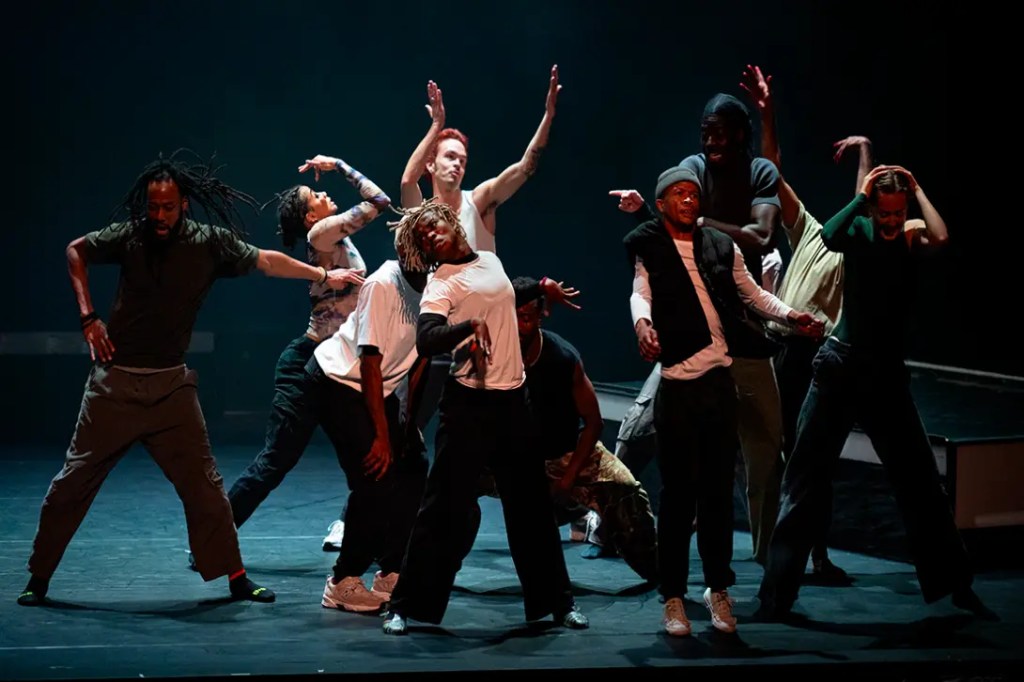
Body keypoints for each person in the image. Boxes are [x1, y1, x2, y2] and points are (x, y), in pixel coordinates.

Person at [17, 151, 359, 607]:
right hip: (114, 386)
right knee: (72, 485)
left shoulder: (207, 242)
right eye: (153, 207)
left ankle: (236, 577)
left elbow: (266, 261)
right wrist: (88, 317)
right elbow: (75, 250)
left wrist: (322, 273)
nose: (159, 216)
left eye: (168, 207)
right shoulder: (130, 235)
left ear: (183, 205)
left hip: (171, 390)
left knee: (206, 488)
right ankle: (38, 578)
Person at [755, 164, 997, 622]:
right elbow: (828, 234)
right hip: (840, 366)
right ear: (872, 208)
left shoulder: (909, 235)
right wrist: (862, 195)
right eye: (884, 212)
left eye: (897, 212)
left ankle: (956, 585)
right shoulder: (859, 230)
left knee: (921, 480)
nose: (890, 220)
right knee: (804, 479)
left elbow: (942, 236)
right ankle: (776, 596)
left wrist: (917, 188)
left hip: (886, 375)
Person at [624, 165, 823, 636]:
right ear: (661, 204)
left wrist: (792, 316)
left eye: (693, 194)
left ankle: (718, 589)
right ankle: (673, 596)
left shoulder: (719, 244)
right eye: (678, 194)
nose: (688, 200)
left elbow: (752, 295)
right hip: (677, 384)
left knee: (716, 494)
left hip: (718, 382)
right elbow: (640, 293)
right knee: (677, 498)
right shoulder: (648, 244)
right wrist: (643, 324)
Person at [380, 198, 588, 635]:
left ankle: (558, 603)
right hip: (468, 407)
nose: (430, 235)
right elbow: (427, 339)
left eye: (433, 225)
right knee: (443, 509)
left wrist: (543, 289)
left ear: (451, 222)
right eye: (423, 237)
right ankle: (404, 605)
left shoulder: (490, 260)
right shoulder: (441, 283)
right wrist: (466, 328)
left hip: (513, 402)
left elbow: (504, 296)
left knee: (532, 509)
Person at [612, 90, 787, 567]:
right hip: (691, 331)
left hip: (743, 330)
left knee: (765, 449)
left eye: (720, 132)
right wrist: (647, 212)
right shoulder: (693, 167)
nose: (711, 141)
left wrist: (704, 222)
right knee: (635, 432)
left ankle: (768, 557)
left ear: (740, 133)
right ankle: (608, 522)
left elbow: (761, 236)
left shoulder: (758, 173)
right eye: (705, 132)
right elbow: (670, 233)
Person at [222, 154, 388, 548]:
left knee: (365, 461)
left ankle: (365, 541)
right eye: (314, 196)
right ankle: (213, 539)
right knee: (276, 460)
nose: (322, 193)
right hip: (307, 363)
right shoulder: (321, 234)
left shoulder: (334, 237)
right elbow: (380, 201)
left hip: (337, 366)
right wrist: (341, 166)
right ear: (310, 217)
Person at [461, 277, 659, 584]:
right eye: (512, 316)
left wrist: (568, 480)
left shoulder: (561, 357)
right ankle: (432, 571)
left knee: (626, 489)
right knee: (452, 485)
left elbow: (593, 422)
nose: (518, 325)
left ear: (541, 316)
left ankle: (659, 576)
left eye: (526, 318)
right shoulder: (487, 351)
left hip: (562, 452)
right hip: (509, 454)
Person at [740, 64, 851, 582]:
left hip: (817, 357)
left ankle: (818, 553)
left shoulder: (856, 249)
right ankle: (773, 551)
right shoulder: (808, 230)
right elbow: (771, 171)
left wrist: (866, 151)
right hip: (780, 349)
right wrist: (767, 114)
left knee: (813, 457)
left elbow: (868, 195)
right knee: (775, 451)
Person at [307, 226, 431, 613]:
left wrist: (408, 424)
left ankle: (391, 571)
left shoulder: (437, 285)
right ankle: (342, 581)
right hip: (339, 382)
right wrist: (381, 435)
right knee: (376, 476)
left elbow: (422, 358)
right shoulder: (383, 284)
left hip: (381, 387)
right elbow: (370, 364)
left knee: (414, 466)